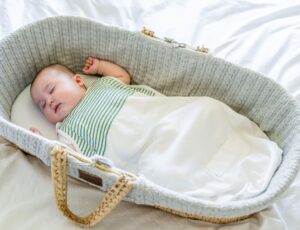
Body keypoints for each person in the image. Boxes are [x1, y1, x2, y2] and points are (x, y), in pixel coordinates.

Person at [30, 56, 282, 201]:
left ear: (78, 81)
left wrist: (99, 67)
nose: (49, 101)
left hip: (161, 119)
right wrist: (42, 142)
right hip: (142, 148)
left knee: (206, 109)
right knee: (160, 170)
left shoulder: (102, 85)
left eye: (51, 90)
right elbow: (69, 156)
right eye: (43, 105)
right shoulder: (67, 129)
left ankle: (231, 145)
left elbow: (122, 77)